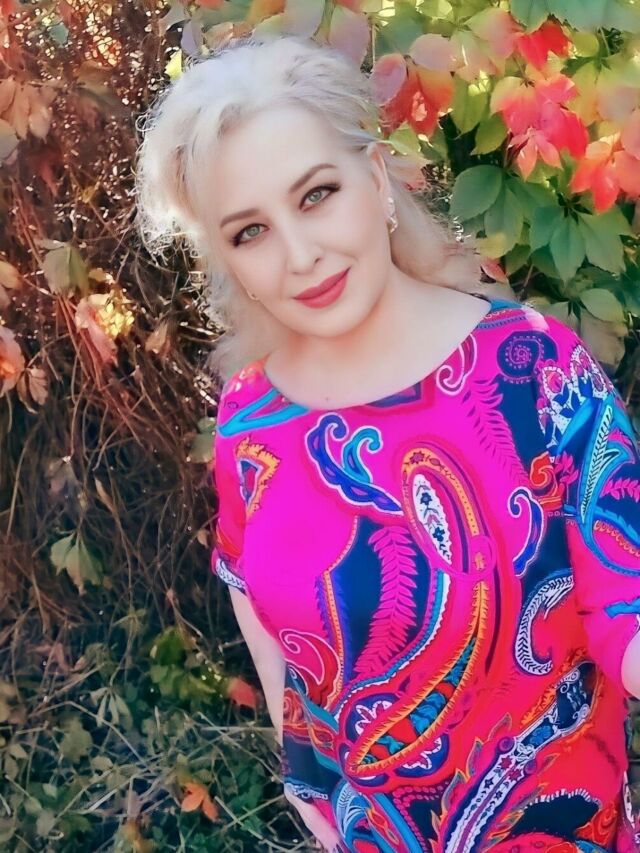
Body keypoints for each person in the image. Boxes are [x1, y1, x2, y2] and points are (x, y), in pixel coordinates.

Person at [136, 33, 640, 853]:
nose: (301, 256)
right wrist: (299, 762)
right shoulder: (250, 416)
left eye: (316, 194)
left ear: (374, 178)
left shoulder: (533, 369)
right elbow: (246, 577)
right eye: (250, 232)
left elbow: (626, 597)